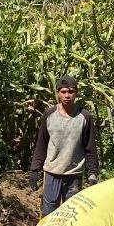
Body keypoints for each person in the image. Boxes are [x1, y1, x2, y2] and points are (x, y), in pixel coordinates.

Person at [29, 75, 100, 217]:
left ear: (76, 93)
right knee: (49, 214)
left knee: (70, 215)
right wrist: (35, 170)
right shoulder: (49, 115)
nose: (67, 95)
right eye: (63, 92)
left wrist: (92, 173)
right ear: (58, 93)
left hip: (73, 174)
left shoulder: (84, 116)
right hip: (52, 172)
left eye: (71, 92)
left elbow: (90, 147)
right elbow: (42, 144)